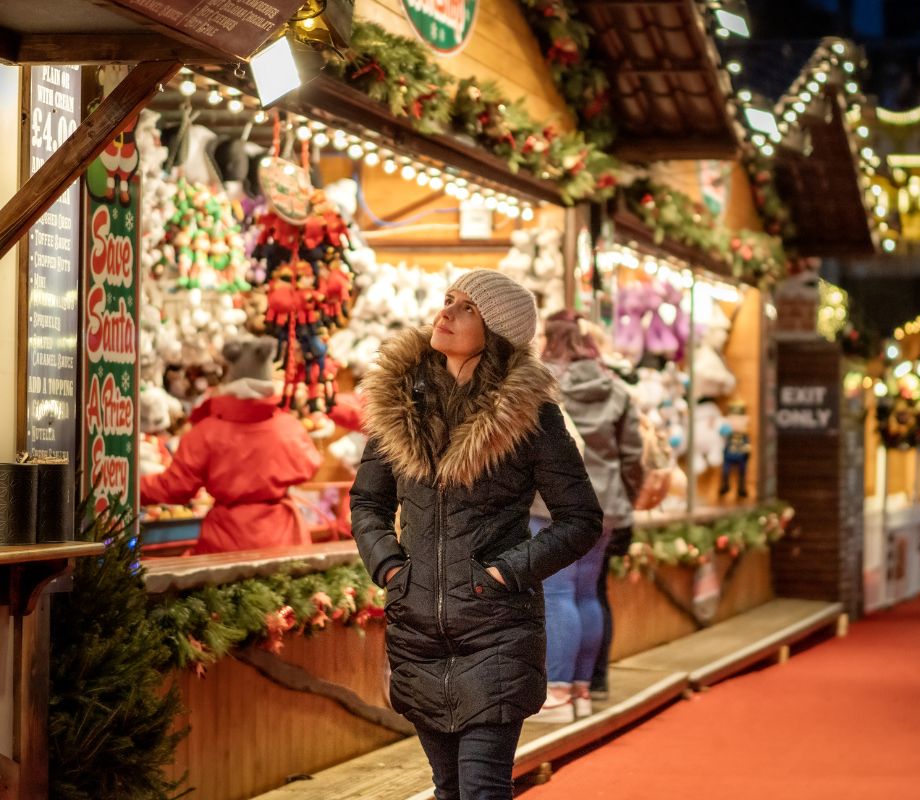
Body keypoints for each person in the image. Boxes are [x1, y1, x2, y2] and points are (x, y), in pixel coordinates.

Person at [350, 270, 603, 800]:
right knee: (448, 789)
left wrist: (505, 571)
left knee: (482, 788)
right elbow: (368, 502)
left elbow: (581, 520)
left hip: (496, 628)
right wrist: (392, 570)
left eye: (466, 308)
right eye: (448, 301)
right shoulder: (400, 408)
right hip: (417, 630)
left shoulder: (530, 417)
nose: (446, 314)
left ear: (497, 332)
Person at [528, 311, 645, 722]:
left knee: (557, 594)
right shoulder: (615, 388)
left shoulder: (541, 385)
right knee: (586, 593)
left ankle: (556, 693)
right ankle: (580, 689)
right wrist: (622, 499)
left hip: (552, 505)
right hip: (605, 505)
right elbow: (633, 456)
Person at [140, 335, 322, 554]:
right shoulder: (289, 427)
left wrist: (130, 487)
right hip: (285, 540)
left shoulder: (206, 432)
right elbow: (311, 465)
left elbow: (174, 488)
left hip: (226, 542)